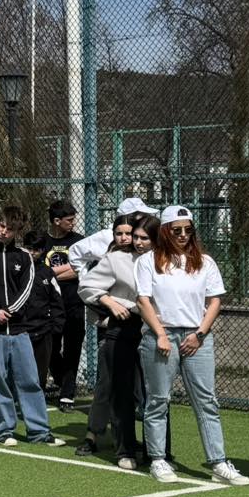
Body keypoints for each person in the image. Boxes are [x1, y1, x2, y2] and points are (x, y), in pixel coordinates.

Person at [134, 206, 245, 485]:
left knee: (207, 400)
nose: (183, 235)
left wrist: (200, 333)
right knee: (158, 399)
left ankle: (219, 462)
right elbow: (143, 300)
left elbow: (215, 300)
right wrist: (159, 334)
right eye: (176, 230)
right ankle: (158, 459)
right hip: (161, 337)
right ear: (165, 231)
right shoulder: (148, 261)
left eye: (188, 229)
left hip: (197, 339)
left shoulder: (204, 261)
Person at [0, 203, 63, 448]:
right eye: (1, 225)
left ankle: (39, 431)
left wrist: (10, 312)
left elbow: (27, 289)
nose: (3, 231)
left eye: (9, 228)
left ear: (18, 231)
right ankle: (4, 429)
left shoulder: (24, 256)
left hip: (19, 330)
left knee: (30, 380)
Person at [75, 214, 146, 467]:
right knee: (108, 387)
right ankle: (93, 434)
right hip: (114, 332)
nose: (126, 238)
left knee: (140, 389)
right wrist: (109, 309)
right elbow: (90, 291)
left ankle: (139, 442)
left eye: (131, 233)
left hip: (144, 330)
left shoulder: (149, 258)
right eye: (121, 233)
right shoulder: (111, 258)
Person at [42, 200, 85, 408]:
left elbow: (79, 270)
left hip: (74, 303)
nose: (73, 223)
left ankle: (67, 393)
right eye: (69, 220)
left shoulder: (79, 242)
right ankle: (60, 378)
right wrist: (64, 271)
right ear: (56, 221)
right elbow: (37, 270)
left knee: (73, 347)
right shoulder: (43, 241)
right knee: (49, 347)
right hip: (49, 305)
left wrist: (49, 274)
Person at [18, 228, 64, 392]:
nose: (32, 253)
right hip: (21, 330)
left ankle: (37, 403)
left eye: (36, 250)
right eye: (28, 248)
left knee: (40, 371)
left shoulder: (47, 273)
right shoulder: (16, 271)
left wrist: (56, 327)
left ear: (42, 251)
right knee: (21, 370)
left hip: (43, 331)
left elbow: (57, 301)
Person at [69, 195, 152, 270]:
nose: (145, 218)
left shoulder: (141, 234)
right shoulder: (107, 235)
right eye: (142, 215)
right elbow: (75, 250)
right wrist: (83, 275)